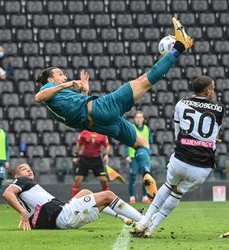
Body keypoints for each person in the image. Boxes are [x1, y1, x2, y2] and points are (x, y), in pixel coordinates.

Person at [34, 17, 194, 200]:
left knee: (142, 143)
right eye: (60, 74)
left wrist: (84, 92)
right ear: (49, 80)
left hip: (99, 124)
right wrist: (69, 83)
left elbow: (75, 109)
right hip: (101, 108)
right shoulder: (47, 89)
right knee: (144, 81)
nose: (64, 76)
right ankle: (179, 47)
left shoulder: (56, 99)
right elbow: (38, 97)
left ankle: (146, 173)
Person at [133, 76, 224, 237]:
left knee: (168, 185)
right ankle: (152, 228)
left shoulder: (181, 104)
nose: (214, 91)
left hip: (181, 159)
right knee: (177, 193)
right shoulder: (219, 109)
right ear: (208, 91)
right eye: (213, 88)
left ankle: (143, 222)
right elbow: (211, 133)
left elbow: (178, 133)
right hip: (202, 167)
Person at [3, 163, 143, 230]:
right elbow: (7, 193)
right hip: (64, 215)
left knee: (86, 192)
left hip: (62, 220)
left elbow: (36, 219)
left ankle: (125, 217)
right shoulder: (22, 181)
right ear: (16, 176)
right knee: (108, 195)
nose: (28, 169)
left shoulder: (25, 196)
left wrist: (25, 214)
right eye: (23, 168)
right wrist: (22, 212)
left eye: (29, 167)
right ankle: (144, 221)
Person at [71, 130, 111, 197]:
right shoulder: (84, 133)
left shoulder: (102, 133)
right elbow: (79, 144)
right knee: (78, 179)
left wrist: (106, 155)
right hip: (84, 159)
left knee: (103, 180)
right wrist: (76, 155)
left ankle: (108, 198)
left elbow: (107, 145)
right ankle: (73, 200)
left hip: (97, 160)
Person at [125, 111, 153, 204]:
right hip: (133, 157)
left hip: (144, 157)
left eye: (140, 117)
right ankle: (132, 197)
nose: (138, 119)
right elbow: (126, 143)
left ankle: (145, 196)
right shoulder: (131, 128)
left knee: (146, 176)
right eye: (137, 117)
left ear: (143, 119)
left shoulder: (147, 129)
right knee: (133, 176)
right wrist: (127, 155)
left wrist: (149, 153)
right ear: (134, 119)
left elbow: (150, 143)